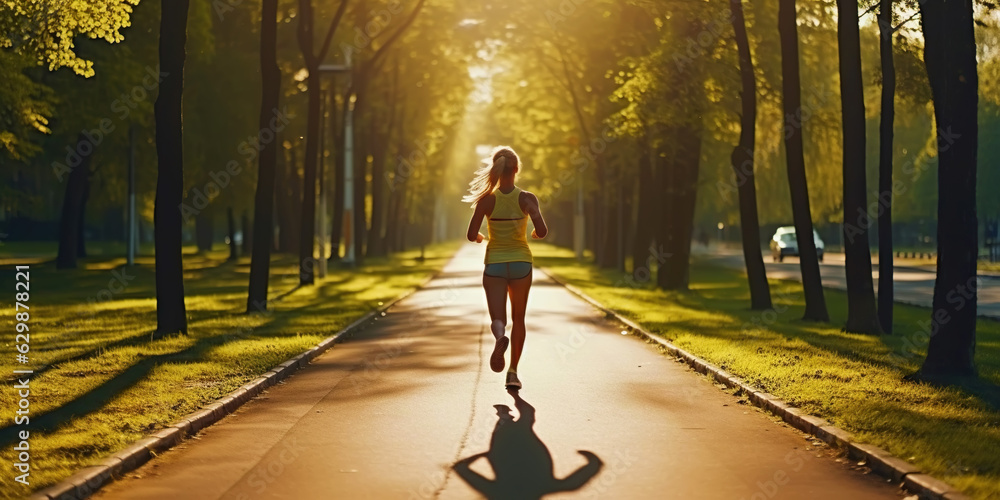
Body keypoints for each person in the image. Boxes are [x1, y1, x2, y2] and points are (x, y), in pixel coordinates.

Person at [464, 146, 547, 390]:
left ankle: (501, 337)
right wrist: (533, 225)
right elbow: (542, 232)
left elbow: (471, 235)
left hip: (495, 264)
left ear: (496, 169)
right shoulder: (527, 198)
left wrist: (481, 238)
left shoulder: (487, 200)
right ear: (516, 169)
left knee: (498, 317)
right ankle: (512, 373)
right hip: (521, 263)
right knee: (518, 318)